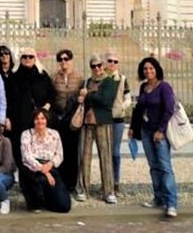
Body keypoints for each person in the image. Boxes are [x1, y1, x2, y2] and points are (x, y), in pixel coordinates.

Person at [129, 56, 180, 218]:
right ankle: (158, 198)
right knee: (153, 166)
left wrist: (161, 130)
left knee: (165, 166)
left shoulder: (164, 87)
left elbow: (169, 109)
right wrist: (132, 127)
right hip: (145, 131)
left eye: (151, 68)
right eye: (145, 69)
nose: (148, 71)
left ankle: (171, 202)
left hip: (159, 132)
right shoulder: (144, 87)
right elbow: (138, 109)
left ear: (157, 69)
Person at [76, 54, 118, 204]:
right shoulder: (87, 81)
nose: (97, 68)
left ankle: (108, 191)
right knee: (84, 157)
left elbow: (105, 101)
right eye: (94, 66)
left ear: (103, 66)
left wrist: (88, 95)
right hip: (87, 123)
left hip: (103, 122)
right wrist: (83, 98)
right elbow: (86, 99)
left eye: (99, 65)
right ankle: (83, 188)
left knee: (105, 157)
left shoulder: (109, 82)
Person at [9, 47, 54, 171]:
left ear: (35, 59)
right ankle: (22, 172)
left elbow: (51, 93)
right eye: (24, 57)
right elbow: (7, 97)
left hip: (38, 118)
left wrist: (47, 106)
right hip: (19, 118)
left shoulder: (42, 75)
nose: (27, 59)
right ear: (20, 59)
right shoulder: (14, 76)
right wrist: (7, 117)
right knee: (21, 146)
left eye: (30, 56)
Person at [19, 109, 71, 213]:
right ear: (33, 120)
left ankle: (47, 199)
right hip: (32, 169)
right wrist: (46, 172)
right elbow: (26, 157)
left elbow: (59, 154)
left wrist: (51, 164)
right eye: (37, 118)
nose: (40, 121)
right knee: (40, 184)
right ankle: (35, 200)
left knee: (64, 206)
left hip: (50, 166)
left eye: (43, 118)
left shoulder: (54, 134)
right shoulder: (26, 134)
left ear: (47, 120)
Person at [51, 49, 84, 194]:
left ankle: (72, 182)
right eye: (61, 59)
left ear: (71, 60)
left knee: (72, 150)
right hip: (58, 118)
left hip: (72, 119)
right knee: (58, 150)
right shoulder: (54, 77)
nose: (64, 62)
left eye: (66, 58)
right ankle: (60, 180)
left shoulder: (79, 78)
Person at [104, 50, 132, 189]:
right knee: (105, 152)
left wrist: (122, 108)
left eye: (115, 61)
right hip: (103, 119)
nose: (112, 63)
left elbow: (128, 98)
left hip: (117, 120)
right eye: (110, 60)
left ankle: (116, 181)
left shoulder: (122, 78)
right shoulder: (101, 77)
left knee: (115, 152)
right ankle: (106, 180)